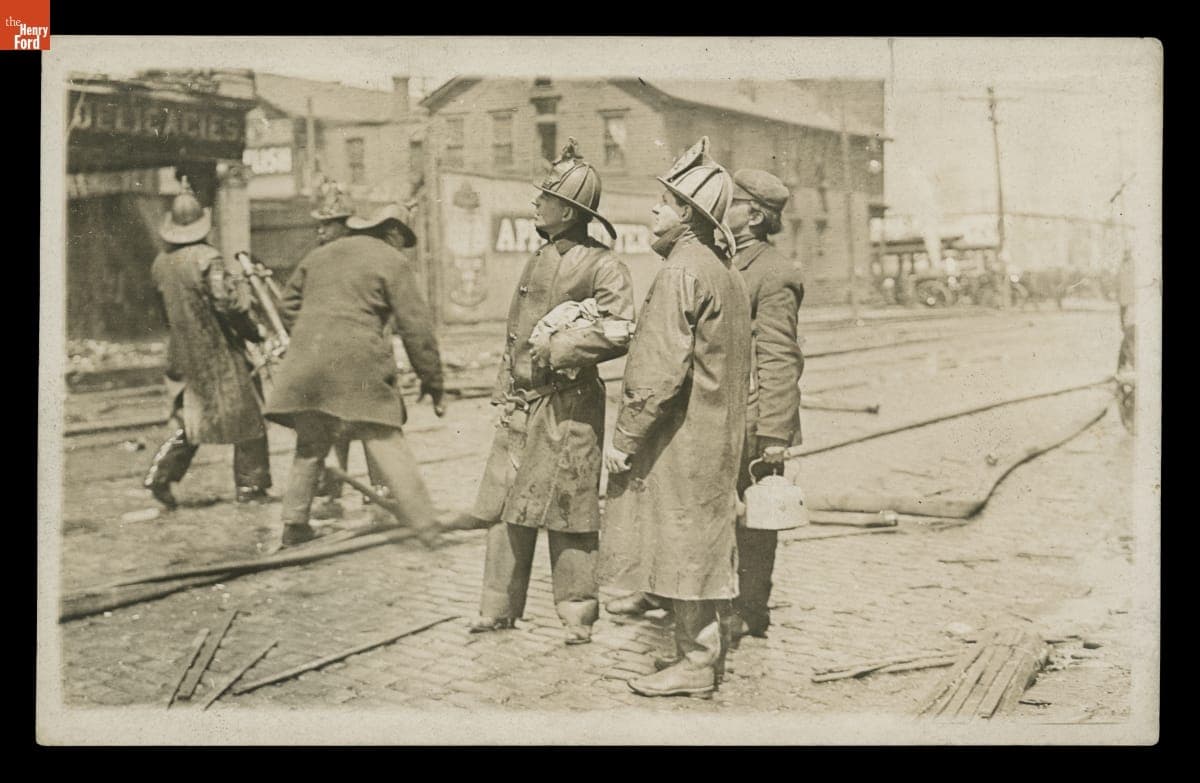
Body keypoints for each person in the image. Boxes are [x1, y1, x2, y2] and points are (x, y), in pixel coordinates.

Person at [604, 170, 805, 643]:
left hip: (749, 420)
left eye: (730, 202)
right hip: (711, 410)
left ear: (753, 215)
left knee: (748, 523)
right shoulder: (726, 261)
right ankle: (667, 593)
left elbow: (778, 356)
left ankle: (746, 610)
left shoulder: (773, 273)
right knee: (690, 515)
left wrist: (774, 437)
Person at [455, 139, 635, 646]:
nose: (536, 204)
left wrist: (560, 349)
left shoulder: (602, 265)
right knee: (503, 505)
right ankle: (496, 608)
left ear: (569, 211)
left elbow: (621, 327)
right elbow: (515, 333)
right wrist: (506, 387)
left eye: (545, 198)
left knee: (570, 509)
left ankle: (577, 617)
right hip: (521, 404)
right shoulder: (538, 257)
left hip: (569, 406)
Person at [598, 137, 752, 697]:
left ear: (687, 213)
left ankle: (696, 662)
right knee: (706, 543)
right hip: (718, 433)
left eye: (662, 203)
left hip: (685, 439)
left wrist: (625, 437)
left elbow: (659, 371)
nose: (653, 212)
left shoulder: (681, 272)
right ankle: (704, 652)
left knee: (685, 545)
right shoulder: (723, 271)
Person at [264, 202, 447, 548]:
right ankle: (426, 526)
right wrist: (433, 381)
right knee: (384, 435)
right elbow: (416, 329)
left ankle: (294, 523)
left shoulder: (320, 255)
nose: (400, 246)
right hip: (356, 363)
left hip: (306, 363)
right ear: (392, 231)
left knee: (312, 441)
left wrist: (312, 334)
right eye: (401, 239)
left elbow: (286, 305)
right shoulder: (392, 260)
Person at [143, 177, 272, 508]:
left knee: (193, 418)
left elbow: (161, 310)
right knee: (249, 417)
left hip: (182, 351)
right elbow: (226, 305)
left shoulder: (160, 264)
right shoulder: (208, 259)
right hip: (217, 350)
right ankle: (251, 486)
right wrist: (252, 331)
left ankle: (161, 474)